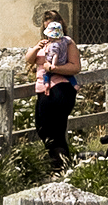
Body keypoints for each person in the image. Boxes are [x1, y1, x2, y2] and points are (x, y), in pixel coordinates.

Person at [28, 18, 82, 174]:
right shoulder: (44, 44)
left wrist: (53, 68)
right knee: (44, 128)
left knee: (54, 130)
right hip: (44, 89)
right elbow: (29, 60)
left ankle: (59, 168)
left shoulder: (66, 43)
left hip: (60, 88)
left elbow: (75, 67)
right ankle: (59, 166)